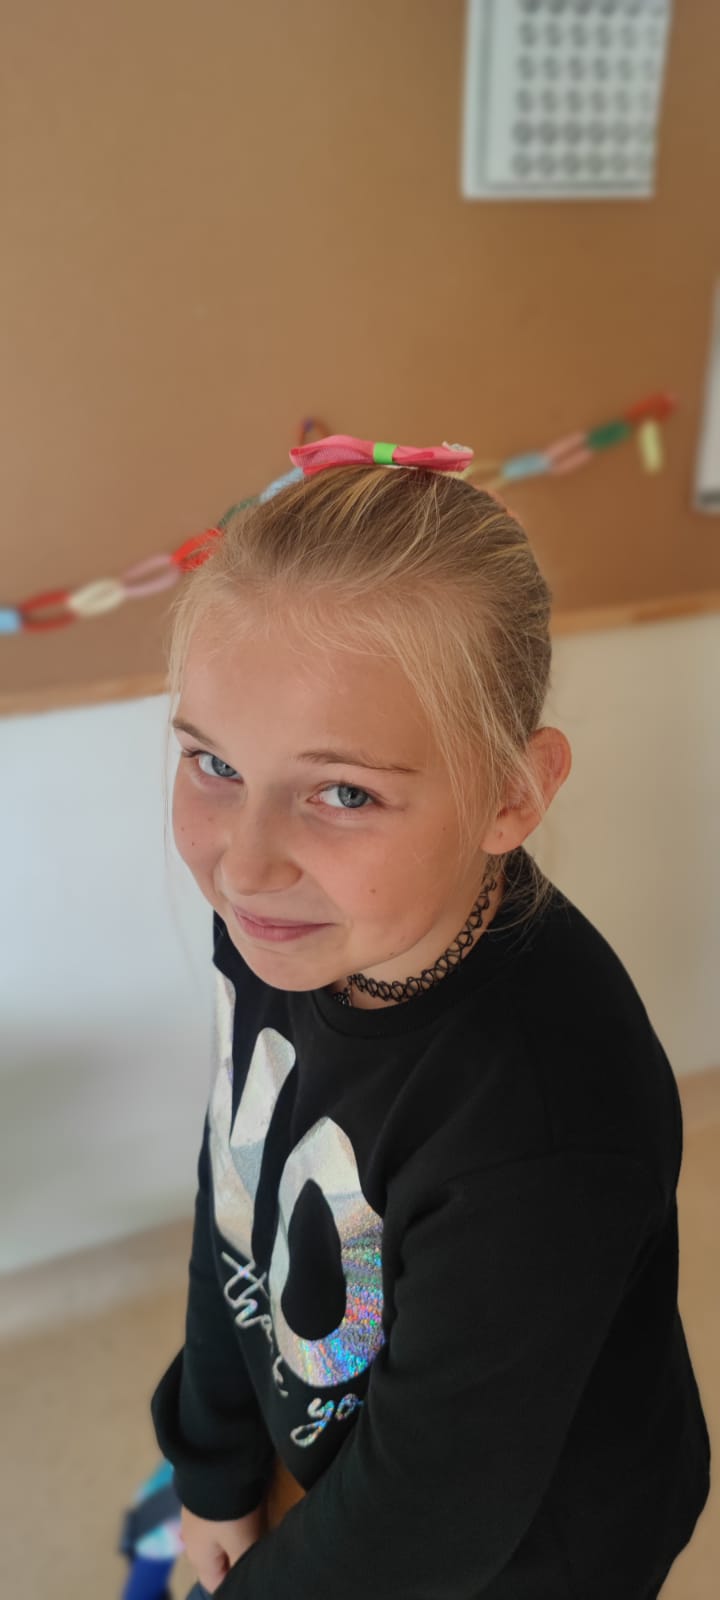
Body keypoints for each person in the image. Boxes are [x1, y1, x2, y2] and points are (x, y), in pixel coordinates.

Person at [150, 436, 711, 1600]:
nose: (244, 864)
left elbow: (427, 1519)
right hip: (339, 1468)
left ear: (513, 792)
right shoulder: (289, 928)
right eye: (214, 764)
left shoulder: (546, 1119)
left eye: (343, 790)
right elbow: (236, 1190)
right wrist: (210, 1460)